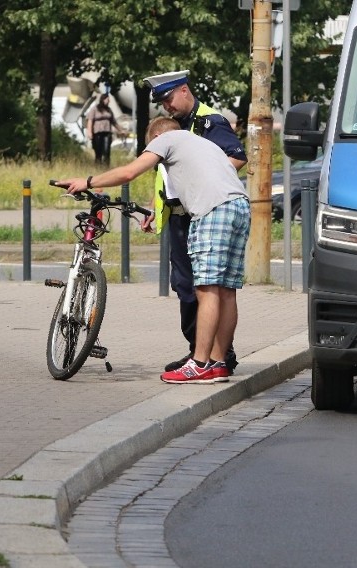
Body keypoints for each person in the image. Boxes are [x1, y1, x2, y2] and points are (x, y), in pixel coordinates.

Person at [55, 116, 251, 384]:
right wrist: (153, 212)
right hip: (239, 207)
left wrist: (87, 181)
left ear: (156, 140)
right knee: (227, 290)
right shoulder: (203, 145)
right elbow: (183, 188)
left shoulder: (167, 139)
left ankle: (200, 363)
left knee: (206, 289)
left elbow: (128, 172)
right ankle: (218, 363)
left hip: (213, 211)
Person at [142, 70, 248, 374]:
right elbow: (169, 177)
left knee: (207, 287)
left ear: (185, 90)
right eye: (161, 103)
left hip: (202, 214)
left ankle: (217, 355)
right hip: (179, 217)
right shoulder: (175, 127)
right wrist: (154, 208)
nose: (166, 107)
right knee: (186, 288)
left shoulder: (207, 122)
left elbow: (237, 156)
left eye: (169, 99)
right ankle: (197, 352)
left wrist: (205, 186)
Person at [86, 94, 126, 166]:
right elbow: (90, 121)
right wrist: (89, 132)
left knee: (107, 150)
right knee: (98, 151)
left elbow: (114, 122)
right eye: (107, 100)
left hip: (107, 133)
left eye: (108, 100)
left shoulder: (109, 110)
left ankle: (106, 166)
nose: (108, 101)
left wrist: (121, 130)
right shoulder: (95, 109)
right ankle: (98, 165)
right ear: (103, 100)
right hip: (97, 133)